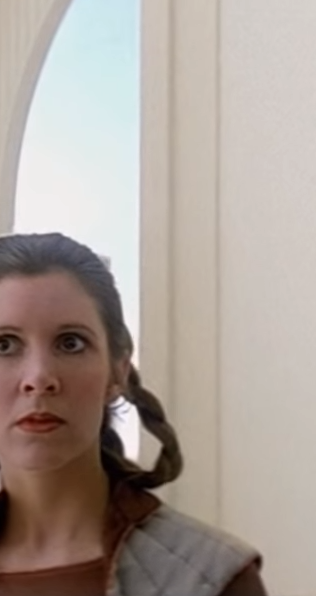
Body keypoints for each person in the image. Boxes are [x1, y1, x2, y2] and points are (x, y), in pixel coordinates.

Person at [0, 232, 266, 596]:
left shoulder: (211, 577)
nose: (39, 378)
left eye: (71, 343)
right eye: (4, 345)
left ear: (118, 371)